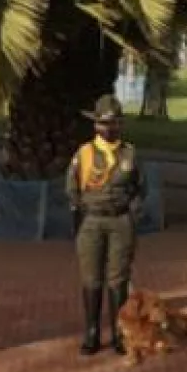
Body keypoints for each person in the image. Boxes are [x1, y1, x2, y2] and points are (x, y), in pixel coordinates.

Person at [67, 94, 146, 355]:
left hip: (120, 221)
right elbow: (72, 188)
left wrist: (133, 211)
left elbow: (140, 188)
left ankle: (118, 333)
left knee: (118, 279)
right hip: (92, 221)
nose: (109, 128)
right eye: (103, 124)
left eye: (114, 123)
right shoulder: (84, 153)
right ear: (95, 125)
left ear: (121, 124)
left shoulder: (130, 153)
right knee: (91, 278)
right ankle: (91, 332)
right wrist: (82, 211)